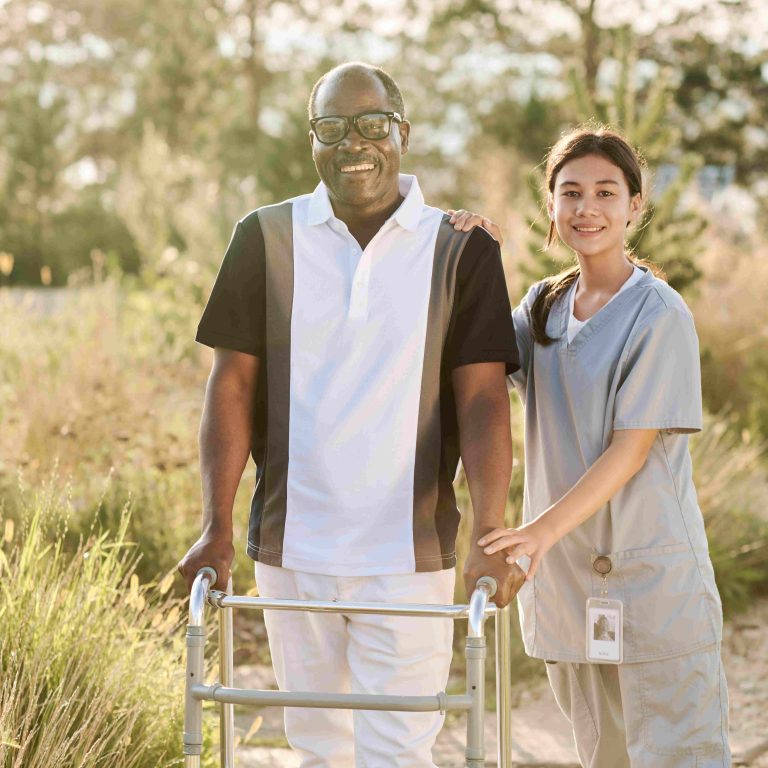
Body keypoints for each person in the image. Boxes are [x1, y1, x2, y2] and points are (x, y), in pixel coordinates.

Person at [177, 61, 525, 767]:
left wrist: (490, 526)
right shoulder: (264, 238)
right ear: (311, 139)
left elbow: (485, 397)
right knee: (316, 748)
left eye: (372, 124)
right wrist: (215, 526)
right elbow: (231, 389)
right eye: (332, 127)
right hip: (291, 552)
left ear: (403, 131)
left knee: (398, 751)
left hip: (408, 558)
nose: (353, 142)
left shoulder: (462, 248)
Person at [478, 127, 730, 767]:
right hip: (569, 588)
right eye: (571, 193)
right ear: (552, 207)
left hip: (651, 581)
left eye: (605, 192)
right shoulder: (543, 307)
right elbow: (475, 364)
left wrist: (535, 533)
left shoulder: (658, 315)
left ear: (634, 205)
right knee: (604, 756)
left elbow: (630, 450)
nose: (586, 208)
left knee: (679, 755)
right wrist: (468, 256)